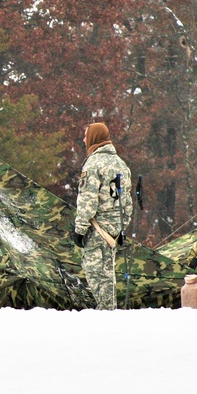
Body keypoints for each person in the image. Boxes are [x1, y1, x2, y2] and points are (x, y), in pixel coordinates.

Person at [72, 122, 133, 310]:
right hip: (114, 231)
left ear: (94, 138)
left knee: (96, 275)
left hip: (97, 229)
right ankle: (110, 314)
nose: (83, 140)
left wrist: (80, 230)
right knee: (108, 276)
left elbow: (88, 201)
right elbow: (128, 202)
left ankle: (105, 316)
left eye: (86, 136)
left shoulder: (93, 164)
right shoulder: (121, 164)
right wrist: (122, 228)